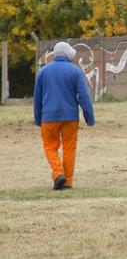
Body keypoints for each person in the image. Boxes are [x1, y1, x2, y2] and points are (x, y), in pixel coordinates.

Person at [33, 41, 95, 190]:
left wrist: (38, 118)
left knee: (50, 147)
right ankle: (67, 182)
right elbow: (84, 97)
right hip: (70, 118)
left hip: (48, 118)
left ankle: (58, 172)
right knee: (69, 148)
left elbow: (37, 98)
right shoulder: (75, 72)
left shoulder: (43, 72)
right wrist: (89, 117)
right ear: (67, 55)